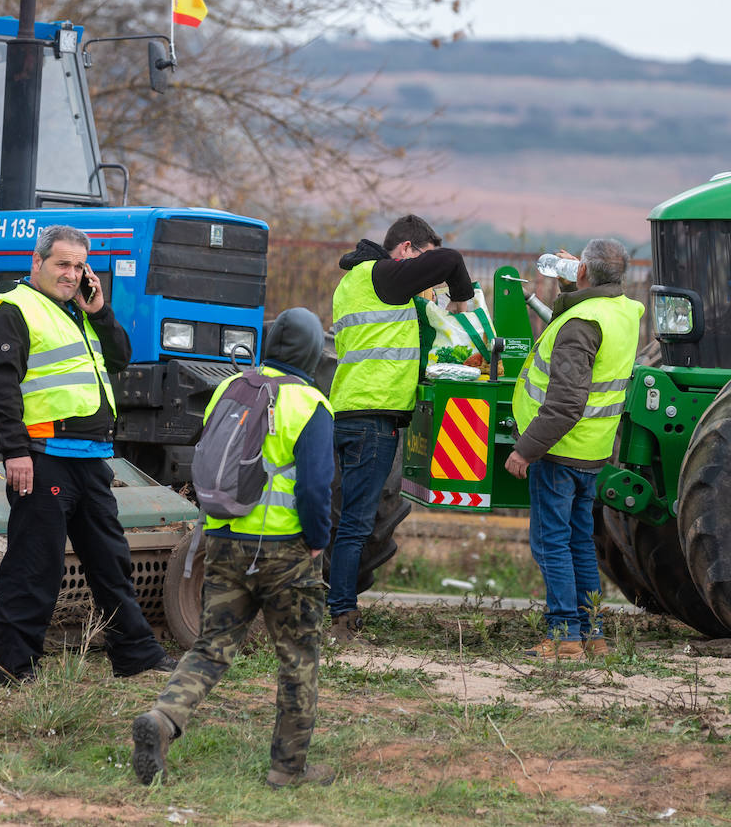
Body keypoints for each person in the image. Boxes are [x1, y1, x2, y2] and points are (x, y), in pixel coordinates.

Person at [132, 307, 336, 788]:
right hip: (285, 553)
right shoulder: (311, 405)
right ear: (312, 353)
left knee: (211, 647)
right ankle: (288, 771)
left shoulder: (229, 387)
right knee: (297, 657)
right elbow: (314, 490)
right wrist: (317, 541)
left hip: (222, 542)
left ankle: (162, 720)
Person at [0, 225, 174, 684]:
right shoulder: (13, 309)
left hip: (90, 457)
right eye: (61, 264)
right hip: (42, 454)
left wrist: (101, 310)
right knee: (36, 564)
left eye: (78, 266)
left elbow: (121, 358)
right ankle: (14, 667)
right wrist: (14, 451)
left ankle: (134, 653)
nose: (70, 274)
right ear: (37, 262)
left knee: (111, 559)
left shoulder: (79, 311)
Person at [326, 214, 474, 644]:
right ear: (406, 249)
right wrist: (463, 297)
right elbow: (450, 259)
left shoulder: (357, 282)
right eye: (419, 259)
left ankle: (339, 612)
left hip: (354, 410)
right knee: (357, 522)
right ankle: (343, 621)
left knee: (350, 520)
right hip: (373, 416)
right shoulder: (381, 276)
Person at [504, 239, 644, 660]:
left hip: (559, 451)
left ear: (583, 272)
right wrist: (577, 279)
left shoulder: (581, 323)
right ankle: (592, 634)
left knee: (551, 542)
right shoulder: (624, 312)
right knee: (580, 542)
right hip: (592, 450)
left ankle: (564, 636)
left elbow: (565, 403)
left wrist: (525, 450)